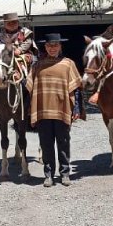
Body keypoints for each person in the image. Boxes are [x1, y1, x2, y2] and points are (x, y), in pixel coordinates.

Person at [26, 33, 85, 187]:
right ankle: (48, 175)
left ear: (60, 46)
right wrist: (29, 111)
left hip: (62, 109)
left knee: (63, 142)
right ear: (45, 47)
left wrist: (76, 108)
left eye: (55, 45)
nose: (52, 48)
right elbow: (30, 90)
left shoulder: (68, 64)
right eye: (49, 45)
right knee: (46, 144)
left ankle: (65, 173)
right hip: (43, 110)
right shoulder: (37, 66)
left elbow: (76, 89)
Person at [0, 12, 37, 90]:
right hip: (6, 55)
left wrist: (20, 49)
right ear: (4, 24)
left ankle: (33, 80)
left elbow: (28, 42)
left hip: (23, 54)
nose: (12, 24)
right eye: (9, 23)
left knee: (33, 61)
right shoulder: (1, 35)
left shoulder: (25, 31)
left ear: (18, 23)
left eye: (14, 22)